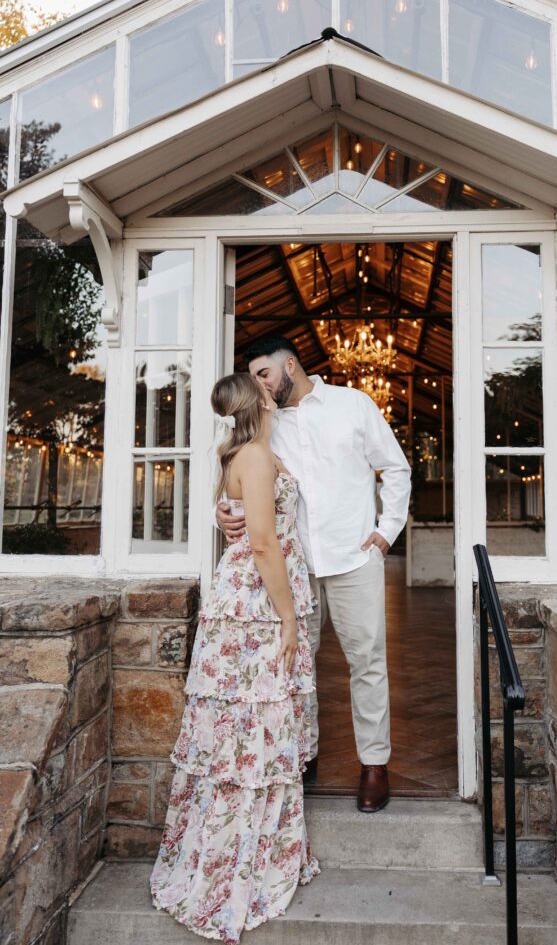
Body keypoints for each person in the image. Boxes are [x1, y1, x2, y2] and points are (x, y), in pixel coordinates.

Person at [151, 372, 319, 945]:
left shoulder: (245, 453)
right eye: (269, 391)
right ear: (263, 403)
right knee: (255, 726)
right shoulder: (255, 456)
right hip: (258, 604)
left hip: (244, 597)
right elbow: (265, 542)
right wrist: (289, 616)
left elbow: (244, 524)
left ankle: (234, 851)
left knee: (239, 729)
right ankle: (237, 865)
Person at [216, 335, 411, 813]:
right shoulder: (263, 424)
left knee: (366, 663)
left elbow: (396, 468)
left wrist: (386, 531)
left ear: (290, 365)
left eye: (264, 375)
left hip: (353, 558)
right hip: (292, 566)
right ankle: (304, 756)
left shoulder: (352, 405)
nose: (259, 387)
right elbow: (236, 476)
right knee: (295, 667)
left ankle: (373, 764)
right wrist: (221, 514)